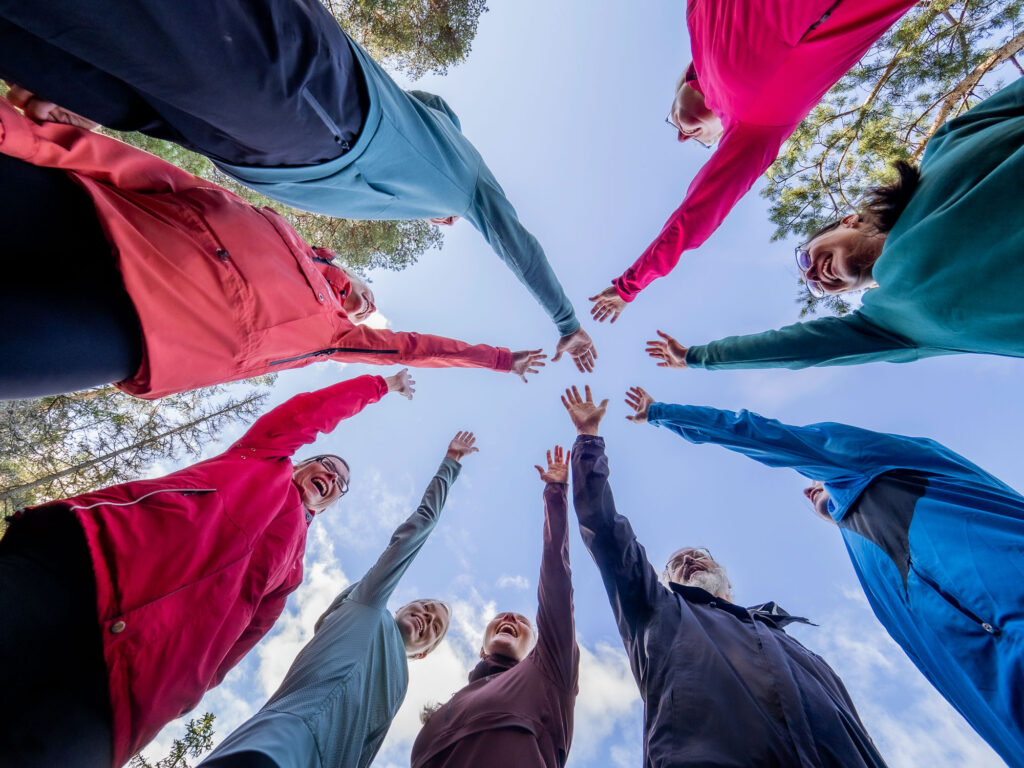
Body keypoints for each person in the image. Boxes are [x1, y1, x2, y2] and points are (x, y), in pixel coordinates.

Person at [0, 0, 596, 372]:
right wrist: (566, 322)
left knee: (59, 60)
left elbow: (434, 102)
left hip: (252, 141)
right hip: (312, 109)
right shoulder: (469, 183)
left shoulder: (434, 139)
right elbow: (521, 246)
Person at [0, 98, 546, 400]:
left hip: (138, 335)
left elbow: (416, 348)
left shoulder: (333, 337)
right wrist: (32, 139)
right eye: (365, 292)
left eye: (366, 309)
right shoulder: (277, 228)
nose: (361, 303)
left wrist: (499, 359)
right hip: (98, 221)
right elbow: (170, 183)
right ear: (351, 272)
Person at [0, 371, 413, 768]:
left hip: (134, 688)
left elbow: (237, 646)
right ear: (303, 462)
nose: (332, 475)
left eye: (340, 483)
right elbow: (311, 412)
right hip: (87, 569)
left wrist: (186, 691)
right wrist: (382, 385)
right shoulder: (263, 458)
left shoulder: (292, 572)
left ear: (328, 505)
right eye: (327, 464)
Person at [624, 386, 1024, 768]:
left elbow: (762, 434)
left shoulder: (872, 465)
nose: (809, 488)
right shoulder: (867, 551)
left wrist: (664, 413)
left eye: (815, 476)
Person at [561, 384, 888, 766]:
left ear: (726, 579)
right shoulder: (657, 611)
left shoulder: (792, 644)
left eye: (699, 556)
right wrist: (588, 442)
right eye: (678, 563)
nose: (690, 561)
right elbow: (606, 532)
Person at [644, 77, 1024, 371]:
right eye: (816, 288)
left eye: (806, 260)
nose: (814, 277)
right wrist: (696, 357)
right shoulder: (893, 322)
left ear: (847, 221)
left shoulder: (949, 143)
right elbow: (794, 349)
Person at [589, 0, 920, 323]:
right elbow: (693, 218)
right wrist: (629, 287)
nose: (682, 137)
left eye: (674, 126)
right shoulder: (754, 128)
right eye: (708, 143)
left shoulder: (696, 15)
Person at [199, 431, 479, 768]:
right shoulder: (370, 605)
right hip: (280, 740)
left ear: (423, 653)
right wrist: (450, 465)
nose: (428, 618)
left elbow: (368, 748)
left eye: (436, 627)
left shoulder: (399, 687)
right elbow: (417, 529)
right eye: (425, 607)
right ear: (400, 606)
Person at [410, 446, 579, 768]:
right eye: (501, 618)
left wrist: (555, 495)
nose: (510, 617)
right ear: (480, 645)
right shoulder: (445, 710)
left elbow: (558, 586)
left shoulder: (549, 677)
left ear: (536, 649)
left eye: (523, 622)